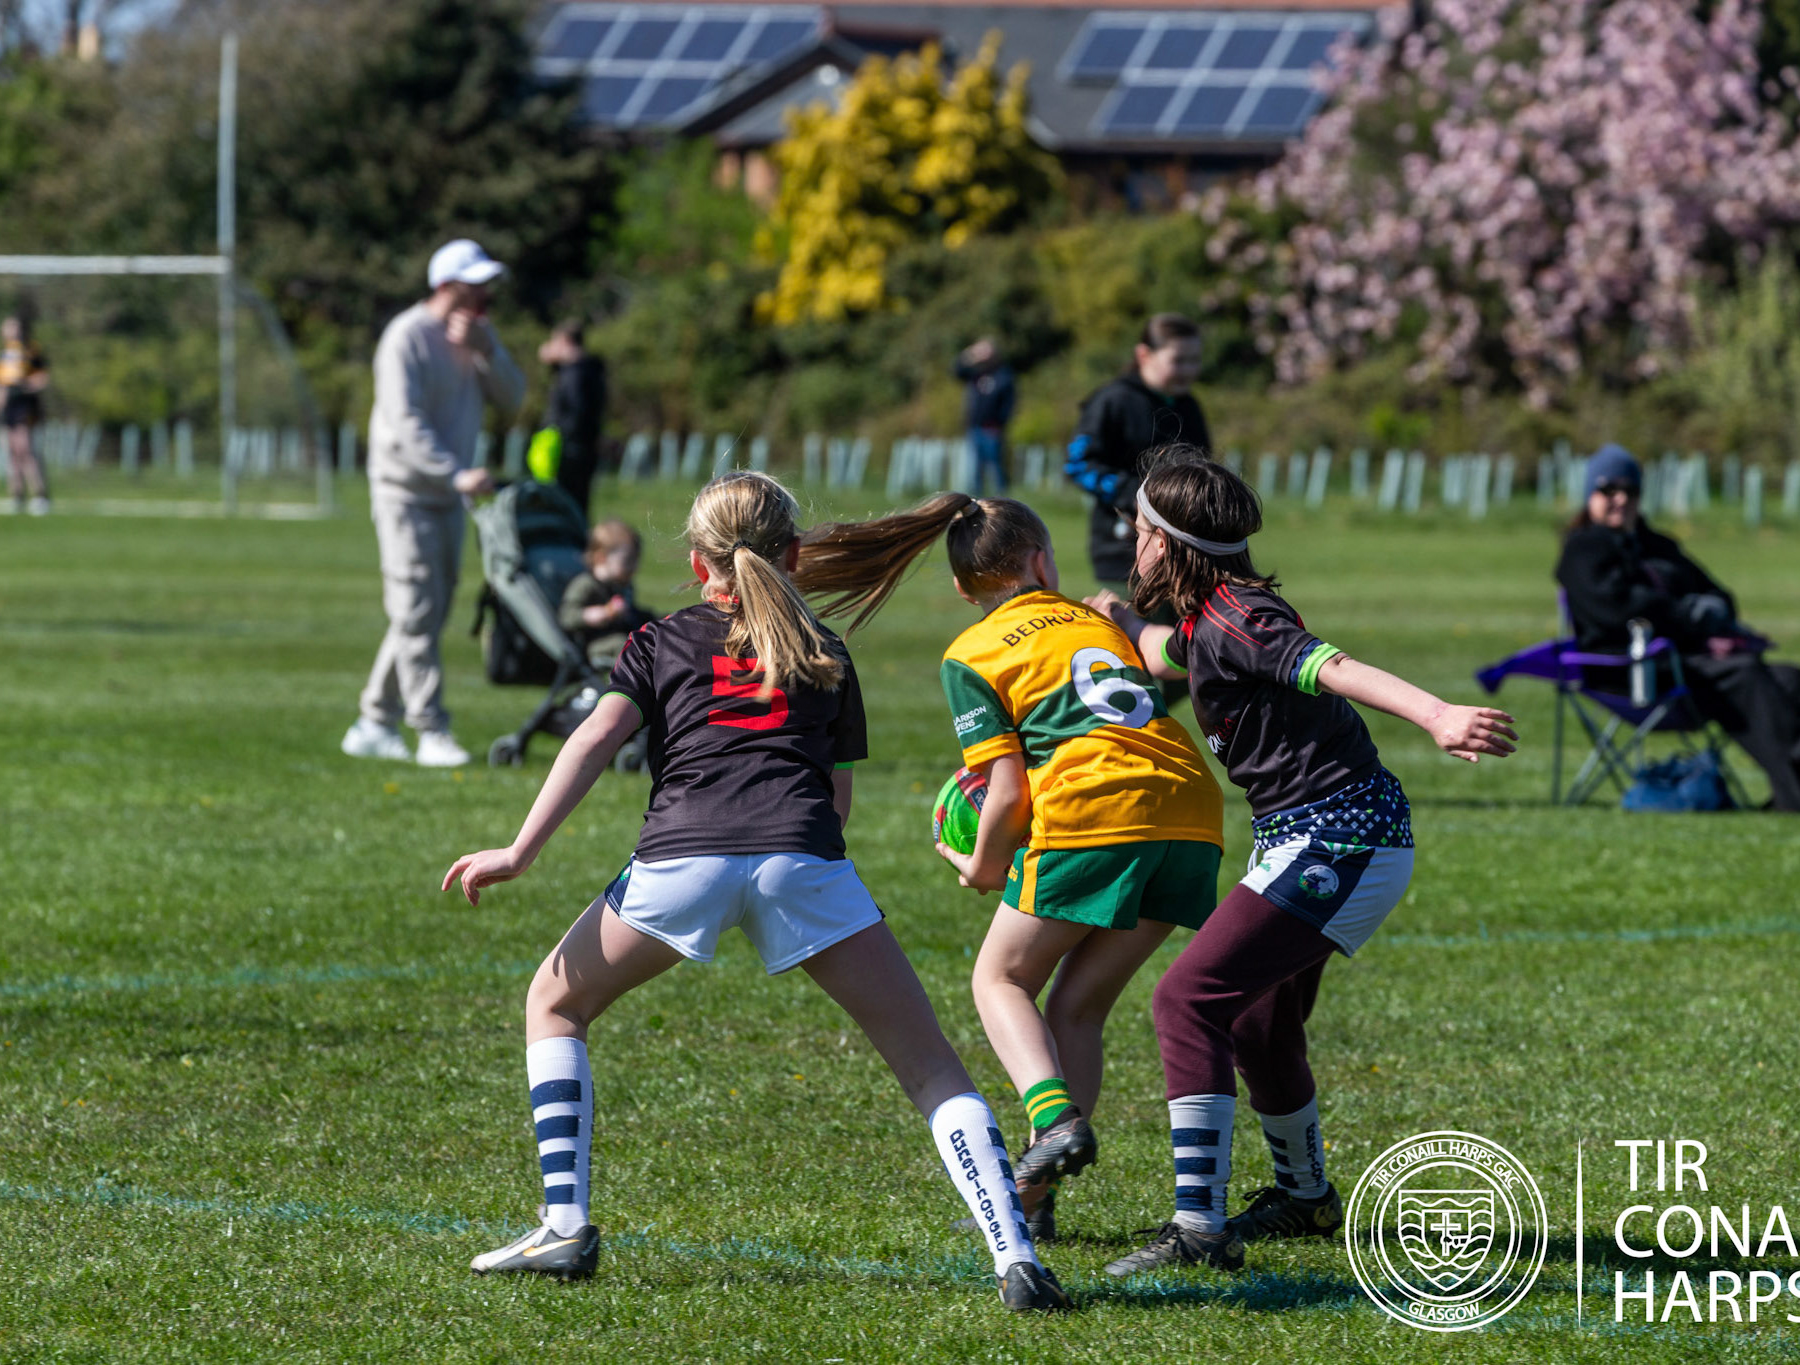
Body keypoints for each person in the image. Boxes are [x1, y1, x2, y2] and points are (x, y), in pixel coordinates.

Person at [441, 472, 1067, 1312]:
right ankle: (1016, 1255)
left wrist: (521, 850)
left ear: (698, 563)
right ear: (796, 555)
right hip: (803, 859)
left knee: (554, 1003)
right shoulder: (827, 649)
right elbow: (836, 803)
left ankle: (564, 1223)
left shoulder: (660, 638)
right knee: (931, 1070)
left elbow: (594, 736)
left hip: (681, 860)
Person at [1088, 449, 1516, 1277]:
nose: (1129, 543)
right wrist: (1109, 620)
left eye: (1138, 530)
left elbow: (1330, 666)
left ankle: (1197, 1223)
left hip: (1340, 841)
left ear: (1168, 543)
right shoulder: (1210, 617)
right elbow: (1164, 653)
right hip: (1318, 836)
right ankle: (1307, 1196)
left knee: (1186, 1000)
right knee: (1256, 1019)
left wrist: (1436, 714)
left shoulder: (1241, 617)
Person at [794, 492, 1226, 1240]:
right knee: (1076, 1006)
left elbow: (1006, 790)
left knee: (999, 979)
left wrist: (982, 866)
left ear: (963, 588)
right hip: (1190, 813)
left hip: (1094, 810)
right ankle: (1034, 1197)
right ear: (1041, 562)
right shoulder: (1093, 621)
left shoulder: (971, 651)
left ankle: (1054, 1122)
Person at [341, 239, 525, 768]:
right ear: (446, 286)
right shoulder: (406, 336)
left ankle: (374, 720)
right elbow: (404, 422)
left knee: (427, 611)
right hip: (405, 492)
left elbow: (513, 398)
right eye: (475, 285)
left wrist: (488, 351)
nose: (486, 295)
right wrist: (455, 471)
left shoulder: (477, 336)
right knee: (416, 609)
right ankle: (430, 728)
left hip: (449, 496)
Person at [1557, 444, 1800, 811]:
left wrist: (1711, 611)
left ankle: (1788, 790)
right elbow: (1619, 610)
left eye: (1630, 491)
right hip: (1630, 670)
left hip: (1686, 663)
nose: (1621, 499)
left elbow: (1717, 592)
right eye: (1609, 490)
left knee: (1790, 679)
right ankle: (1795, 795)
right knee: (1744, 674)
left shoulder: (1658, 546)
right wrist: (1689, 616)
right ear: (1591, 494)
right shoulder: (1583, 550)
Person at [1065, 313, 1212, 590]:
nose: (1189, 370)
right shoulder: (1113, 400)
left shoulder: (1190, 406)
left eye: (1194, 360)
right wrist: (1139, 496)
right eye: (1178, 360)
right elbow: (1078, 465)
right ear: (1144, 355)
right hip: (1124, 553)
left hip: (1186, 555)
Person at [560, 517, 653, 670]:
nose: (634, 567)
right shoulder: (585, 585)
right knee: (624, 643)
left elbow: (633, 613)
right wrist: (597, 614)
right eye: (628, 561)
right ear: (601, 557)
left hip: (621, 635)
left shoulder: (622, 586)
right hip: (593, 645)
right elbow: (566, 617)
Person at [537, 320, 607, 520]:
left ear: (565, 342)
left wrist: (559, 435)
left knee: (568, 505)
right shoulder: (587, 370)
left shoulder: (576, 374)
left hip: (570, 450)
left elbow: (574, 412)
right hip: (581, 448)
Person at [0, 316, 51, 515]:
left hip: (24, 406)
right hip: (8, 408)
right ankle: (17, 495)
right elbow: (0, 384)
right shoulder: (3, 355)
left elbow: (42, 377)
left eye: (13, 327)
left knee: (25, 449)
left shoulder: (30, 350)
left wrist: (24, 386)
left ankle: (40, 495)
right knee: (11, 452)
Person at [952, 338, 1016, 496]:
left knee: (995, 466)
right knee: (974, 467)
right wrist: (969, 354)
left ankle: (1003, 501)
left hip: (992, 429)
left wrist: (1000, 424)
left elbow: (1008, 403)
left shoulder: (1003, 375)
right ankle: (976, 500)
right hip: (974, 427)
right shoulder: (975, 373)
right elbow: (957, 371)